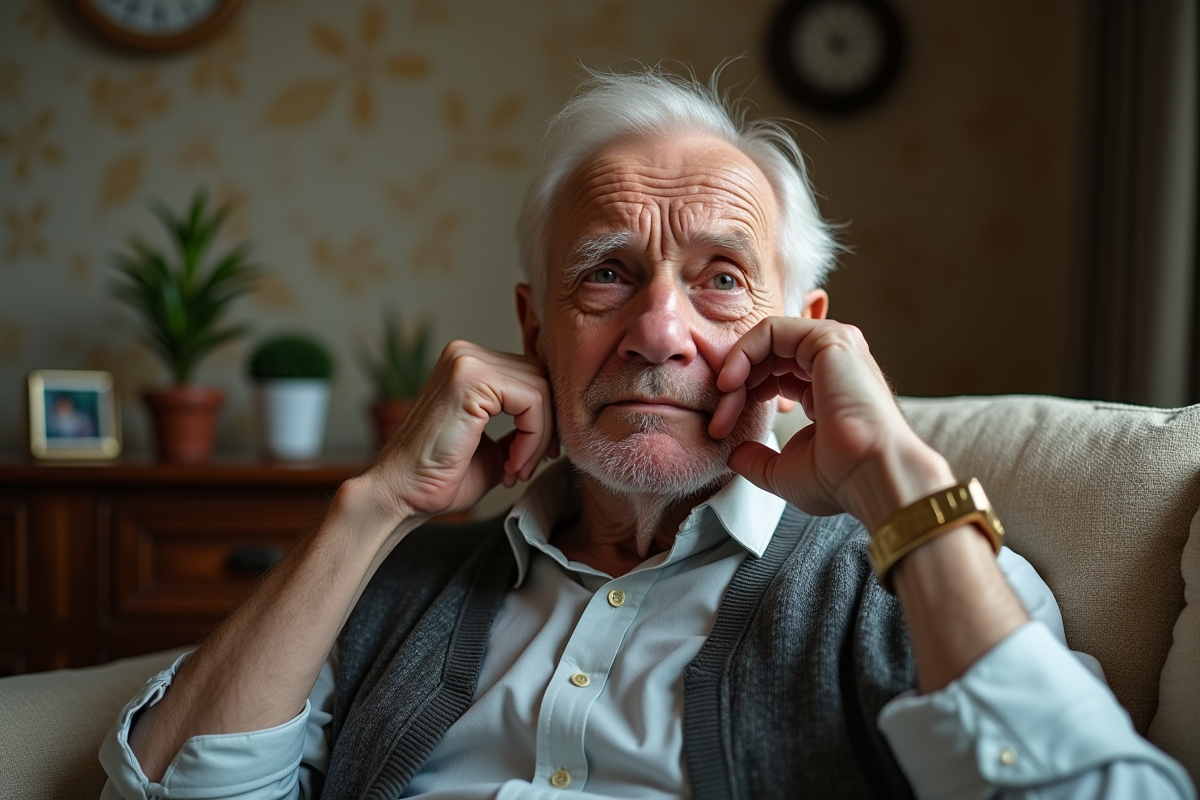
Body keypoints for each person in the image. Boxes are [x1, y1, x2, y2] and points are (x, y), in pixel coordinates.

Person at [100, 68, 1194, 800]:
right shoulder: (401, 580)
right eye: (608, 274)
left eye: (721, 279)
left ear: (801, 336)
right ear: (537, 329)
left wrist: (897, 475)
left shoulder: (915, 582)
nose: (657, 331)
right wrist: (371, 505)